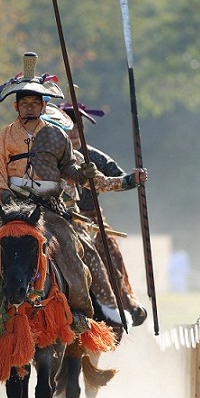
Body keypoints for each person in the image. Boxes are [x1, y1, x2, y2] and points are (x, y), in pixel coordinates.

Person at [0, 52, 147, 334]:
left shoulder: (57, 136)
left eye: (35, 103)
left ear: (43, 106)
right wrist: (5, 199)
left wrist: (82, 175)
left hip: (49, 208)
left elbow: (69, 167)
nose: (29, 108)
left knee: (78, 252)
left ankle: (81, 312)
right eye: (24, 103)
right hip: (10, 206)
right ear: (16, 107)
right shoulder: (3, 138)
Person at [59, 94, 148, 326]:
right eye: (68, 127)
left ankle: (121, 300)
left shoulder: (93, 157)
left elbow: (112, 180)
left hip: (90, 219)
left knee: (107, 247)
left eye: (78, 127)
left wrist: (132, 179)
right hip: (55, 217)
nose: (74, 132)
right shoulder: (48, 156)